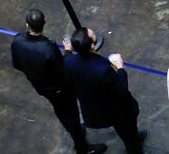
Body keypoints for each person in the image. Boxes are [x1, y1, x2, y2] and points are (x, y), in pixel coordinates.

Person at [10, 9, 107, 154]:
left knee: (60, 110)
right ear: (44, 23)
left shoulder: (17, 40)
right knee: (71, 114)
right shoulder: (48, 48)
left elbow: (17, 65)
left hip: (41, 87)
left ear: (26, 24)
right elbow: (63, 71)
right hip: (60, 89)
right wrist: (67, 52)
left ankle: (75, 131)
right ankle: (82, 147)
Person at [64, 27, 146, 154]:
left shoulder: (68, 61)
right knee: (129, 135)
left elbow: (67, 61)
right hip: (116, 111)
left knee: (126, 130)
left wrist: (67, 51)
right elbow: (121, 90)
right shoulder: (103, 70)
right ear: (92, 45)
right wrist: (120, 68)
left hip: (94, 108)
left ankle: (133, 136)